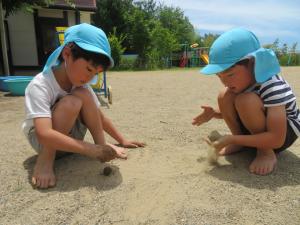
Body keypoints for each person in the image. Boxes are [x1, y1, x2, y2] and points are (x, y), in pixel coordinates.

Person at [23, 23, 145, 189]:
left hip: (71, 141)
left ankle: (102, 148)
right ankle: (45, 160)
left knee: (84, 95)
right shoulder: (40, 85)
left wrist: (121, 140)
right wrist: (90, 150)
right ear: (67, 53)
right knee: (72, 102)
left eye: (95, 74)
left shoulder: (81, 85)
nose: (90, 78)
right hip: (44, 142)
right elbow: (43, 134)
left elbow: (99, 117)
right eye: (89, 69)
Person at [192, 28, 299, 175]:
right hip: (258, 130)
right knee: (225, 95)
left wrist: (232, 139)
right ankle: (241, 144)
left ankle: (265, 152)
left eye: (230, 75)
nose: (225, 82)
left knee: (245, 100)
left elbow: (277, 138)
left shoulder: (273, 86)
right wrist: (214, 114)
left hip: (282, 134)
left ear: (252, 63)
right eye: (220, 77)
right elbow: (245, 113)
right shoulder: (243, 82)